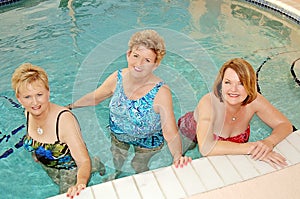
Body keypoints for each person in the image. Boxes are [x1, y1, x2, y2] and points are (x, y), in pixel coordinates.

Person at [67, 29, 192, 177]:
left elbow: (169, 131)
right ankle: (117, 173)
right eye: (136, 56)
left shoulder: (161, 93)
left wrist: (177, 155)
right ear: (128, 55)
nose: (138, 64)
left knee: (138, 165)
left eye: (147, 60)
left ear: (155, 65)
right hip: (118, 135)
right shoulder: (117, 78)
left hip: (147, 142)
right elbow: (96, 97)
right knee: (117, 159)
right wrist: (71, 106)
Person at [178, 58, 293, 168]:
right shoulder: (209, 103)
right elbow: (206, 147)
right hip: (189, 132)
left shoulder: (254, 101)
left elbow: (285, 125)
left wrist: (268, 142)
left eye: (241, 83)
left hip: (221, 145)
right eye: (228, 82)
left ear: (250, 85)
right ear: (220, 84)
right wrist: (254, 148)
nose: (233, 89)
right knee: (178, 158)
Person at [11, 63, 105, 198]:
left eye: (39, 94)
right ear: (19, 99)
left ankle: (95, 164)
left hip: (70, 169)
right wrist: (35, 151)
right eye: (27, 97)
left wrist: (80, 183)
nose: (35, 102)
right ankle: (96, 163)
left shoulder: (64, 121)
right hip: (49, 165)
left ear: (48, 92)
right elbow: (33, 135)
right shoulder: (28, 113)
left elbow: (83, 161)